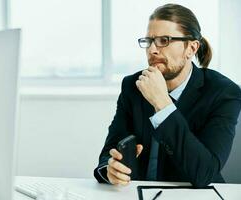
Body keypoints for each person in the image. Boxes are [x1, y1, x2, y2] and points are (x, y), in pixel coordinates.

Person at [94, 3, 241, 188]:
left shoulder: (223, 93)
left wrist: (162, 104)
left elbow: (205, 173)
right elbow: (110, 151)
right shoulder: (133, 85)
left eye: (164, 40)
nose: (152, 50)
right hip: (137, 193)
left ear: (192, 48)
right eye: (149, 41)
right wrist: (111, 169)